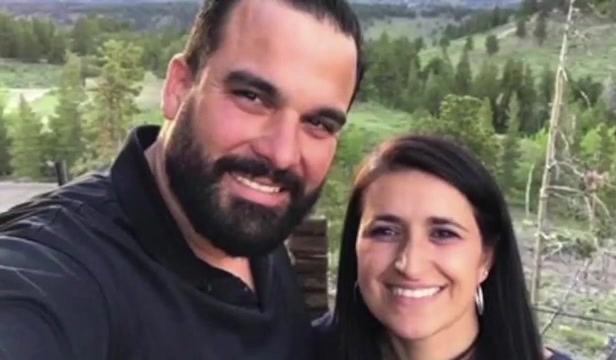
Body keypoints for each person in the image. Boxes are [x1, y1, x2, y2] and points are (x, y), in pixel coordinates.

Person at [0, 0, 364, 359]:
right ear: (178, 87)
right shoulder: (66, 269)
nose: (282, 154)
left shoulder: (247, 222)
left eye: (318, 123)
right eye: (252, 97)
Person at [313, 134, 572, 360]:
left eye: (443, 234)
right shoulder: (296, 351)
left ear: (486, 257)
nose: (410, 265)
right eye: (385, 231)